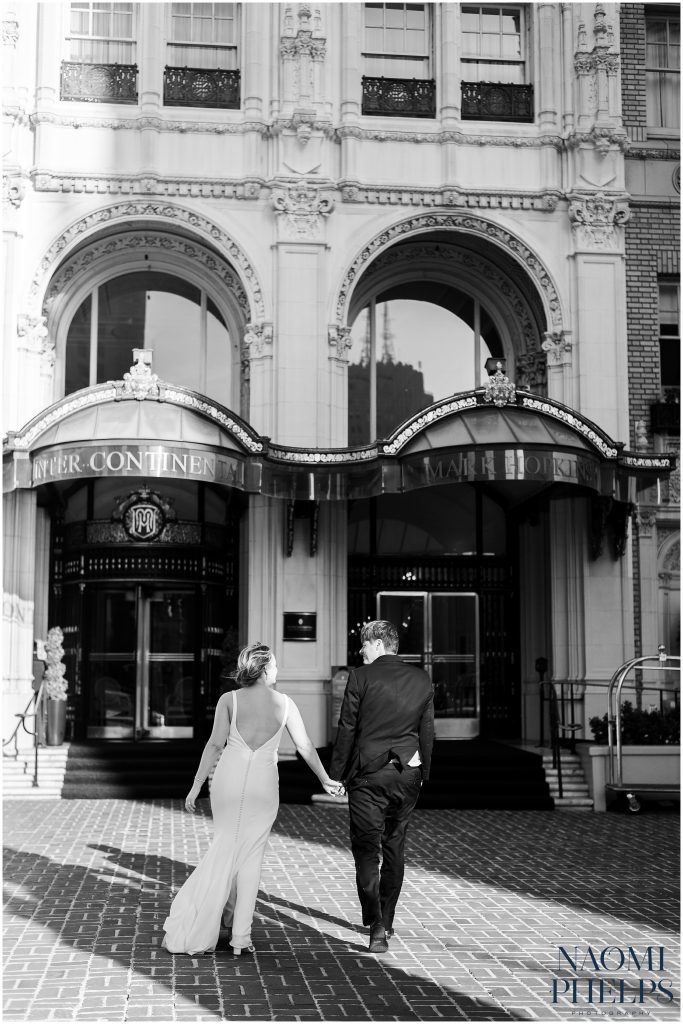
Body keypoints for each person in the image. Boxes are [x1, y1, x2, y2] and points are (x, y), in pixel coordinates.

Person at [163, 642, 343, 956]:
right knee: (250, 860)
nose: (277, 669)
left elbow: (214, 745)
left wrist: (195, 786)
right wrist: (325, 778)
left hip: (227, 782)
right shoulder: (285, 704)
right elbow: (305, 747)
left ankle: (207, 920)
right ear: (263, 669)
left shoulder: (229, 700)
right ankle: (240, 938)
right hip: (263, 787)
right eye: (274, 665)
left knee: (225, 846)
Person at [330, 620, 434, 953]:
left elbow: (347, 728)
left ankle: (375, 924)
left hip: (367, 775)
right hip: (407, 774)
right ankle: (386, 920)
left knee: (365, 850)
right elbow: (427, 732)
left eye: (363, 644)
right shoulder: (421, 679)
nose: (360, 650)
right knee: (395, 846)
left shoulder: (360, 677)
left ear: (377, 643)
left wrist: (337, 774)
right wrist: (425, 773)